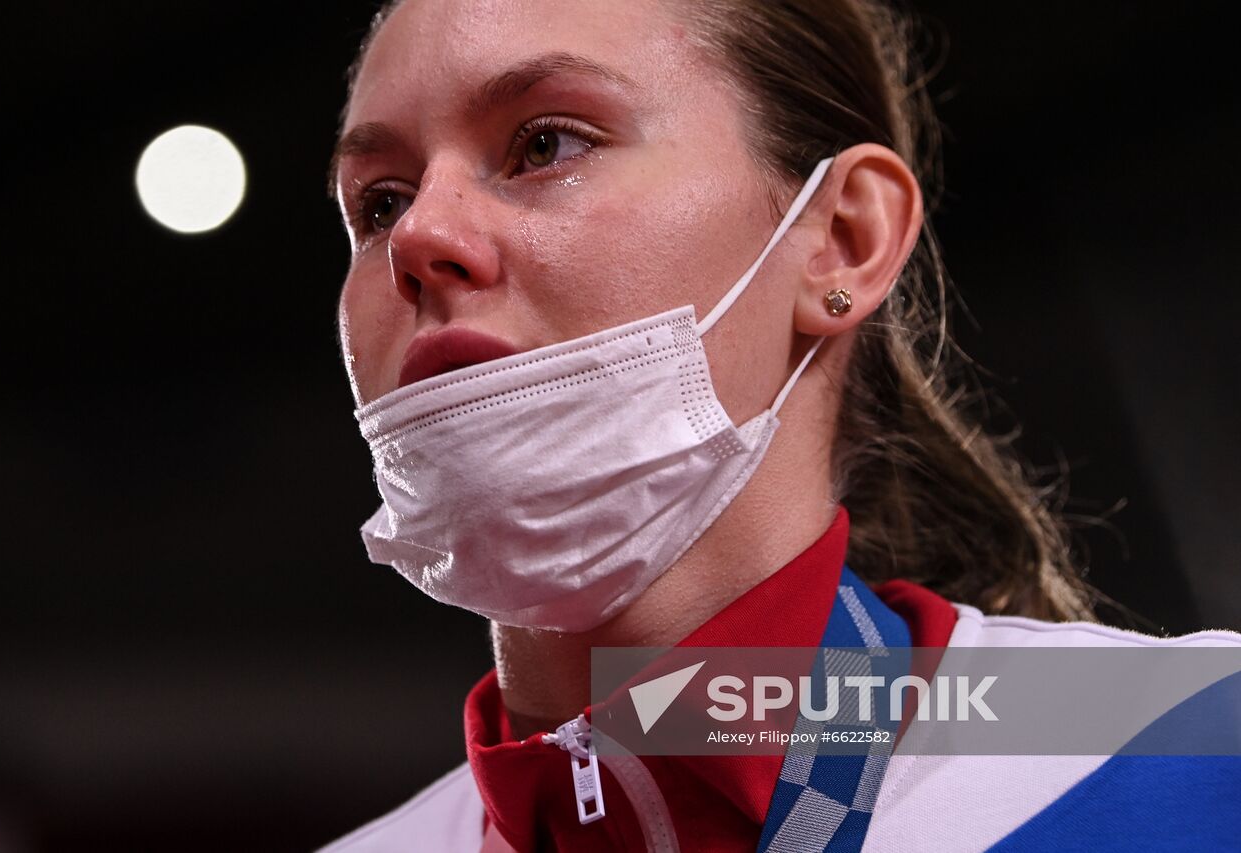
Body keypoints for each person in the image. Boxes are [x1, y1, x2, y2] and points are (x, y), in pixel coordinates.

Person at [320, 0, 1241, 850]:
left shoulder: (1200, 759)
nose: (417, 236)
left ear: (844, 237)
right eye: (380, 202)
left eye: (546, 142)